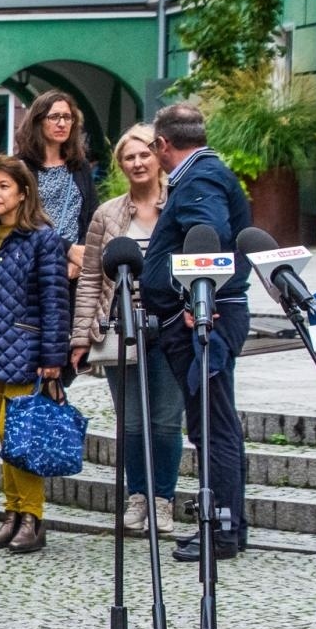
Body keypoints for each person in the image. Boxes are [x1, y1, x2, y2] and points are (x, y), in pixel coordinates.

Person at [142, 103, 251, 561]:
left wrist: (193, 298)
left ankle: (221, 530)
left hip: (205, 319)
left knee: (212, 427)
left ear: (162, 144)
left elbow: (210, 236)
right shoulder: (204, 173)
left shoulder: (199, 179)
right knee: (215, 423)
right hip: (207, 314)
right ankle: (230, 526)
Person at [70, 124, 181, 536]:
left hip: (171, 326)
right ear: (120, 165)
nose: (137, 163)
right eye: (129, 157)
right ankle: (137, 497)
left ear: (158, 157)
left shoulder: (179, 204)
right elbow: (90, 278)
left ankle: (162, 500)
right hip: (122, 327)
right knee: (132, 422)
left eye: (144, 154)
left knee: (166, 421)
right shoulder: (107, 214)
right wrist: (81, 336)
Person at [0, 156, 69, 554]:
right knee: (7, 440)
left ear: (23, 193)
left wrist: (52, 358)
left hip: (27, 353)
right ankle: (11, 514)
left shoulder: (42, 239)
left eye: (4, 186)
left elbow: (55, 302)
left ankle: (31, 518)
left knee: (21, 439)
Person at [16, 90, 98, 284]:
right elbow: (20, 220)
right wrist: (68, 249)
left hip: (75, 271)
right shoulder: (20, 167)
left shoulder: (80, 166)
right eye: (54, 117)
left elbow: (92, 215)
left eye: (67, 117)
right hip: (34, 267)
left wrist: (79, 257)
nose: (62, 124)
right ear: (38, 121)